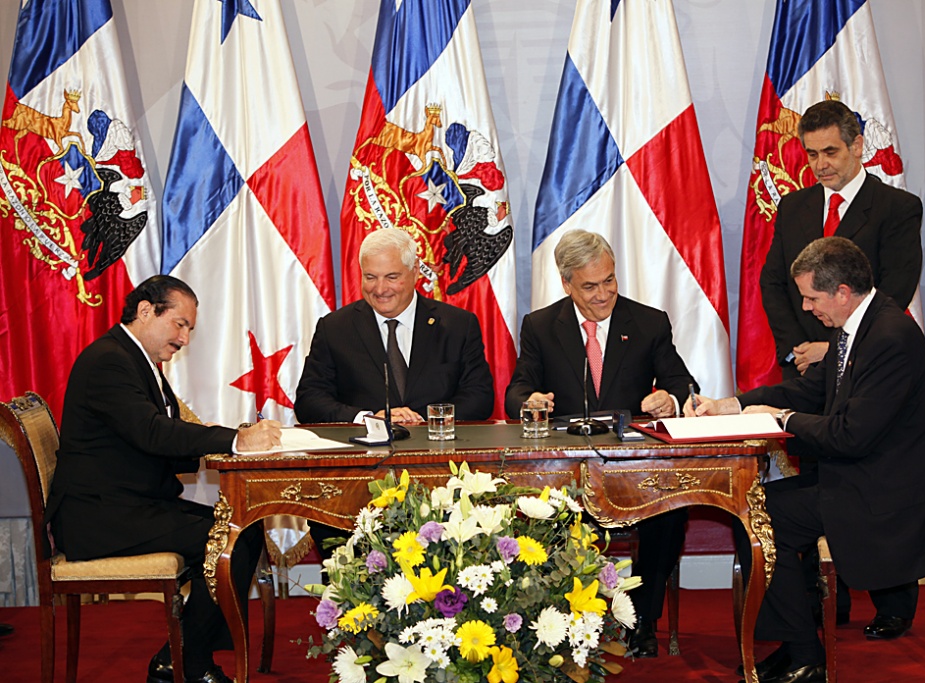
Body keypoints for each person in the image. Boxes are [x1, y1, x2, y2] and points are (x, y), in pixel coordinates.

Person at [691, 238, 925, 683]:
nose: (805, 307)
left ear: (843, 292)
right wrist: (732, 405)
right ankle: (795, 646)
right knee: (754, 508)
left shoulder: (889, 337)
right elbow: (809, 390)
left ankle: (805, 656)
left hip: (890, 495)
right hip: (866, 474)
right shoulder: (860, 326)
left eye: (811, 297)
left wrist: (782, 419)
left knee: (760, 516)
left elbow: (850, 436)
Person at [43, 275, 283, 683]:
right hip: (99, 518)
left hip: (128, 505)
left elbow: (160, 437)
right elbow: (152, 433)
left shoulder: (134, 359)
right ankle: (190, 664)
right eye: (180, 324)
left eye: (189, 328)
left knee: (244, 530)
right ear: (145, 311)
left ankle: (179, 656)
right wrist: (235, 440)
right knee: (233, 542)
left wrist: (225, 442)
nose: (185, 339)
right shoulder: (109, 362)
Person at [504, 229, 698, 658]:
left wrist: (670, 399)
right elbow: (515, 391)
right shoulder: (541, 326)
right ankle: (566, 620)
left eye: (609, 280)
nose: (604, 293)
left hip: (635, 468)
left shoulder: (648, 322)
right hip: (567, 472)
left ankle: (642, 619)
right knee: (543, 517)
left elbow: (683, 383)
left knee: (669, 515)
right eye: (590, 286)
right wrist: (529, 401)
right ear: (566, 284)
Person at [294, 228, 494, 555]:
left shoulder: (458, 325)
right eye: (370, 277)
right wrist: (368, 418)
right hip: (359, 485)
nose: (380, 289)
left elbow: (480, 397)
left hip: (440, 479)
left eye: (391, 277)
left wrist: (426, 418)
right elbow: (309, 401)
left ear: (415, 272)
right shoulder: (335, 328)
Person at [761, 99, 922, 380]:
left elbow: (893, 293)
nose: (820, 165)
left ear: (857, 146)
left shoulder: (897, 208)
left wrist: (834, 349)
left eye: (830, 152)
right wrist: (799, 350)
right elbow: (773, 282)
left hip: (864, 366)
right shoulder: (792, 206)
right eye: (812, 154)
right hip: (802, 368)